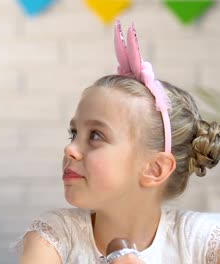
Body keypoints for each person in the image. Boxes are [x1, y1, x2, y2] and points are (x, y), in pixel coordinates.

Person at [17, 20, 220, 264]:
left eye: (96, 135)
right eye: (74, 133)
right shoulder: (55, 236)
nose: (69, 149)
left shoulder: (202, 240)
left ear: (155, 169)